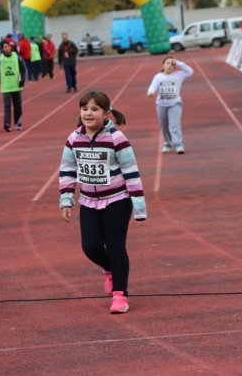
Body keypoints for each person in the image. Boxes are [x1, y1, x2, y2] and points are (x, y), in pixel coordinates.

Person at [58, 90, 146, 314]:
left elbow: (131, 171)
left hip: (117, 200)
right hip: (88, 202)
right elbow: (67, 170)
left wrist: (138, 205)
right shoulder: (73, 139)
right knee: (90, 246)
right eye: (85, 108)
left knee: (116, 246)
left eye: (94, 109)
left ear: (106, 114)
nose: (89, 113)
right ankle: (109, 268)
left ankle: (120, 296)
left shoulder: (117, 139)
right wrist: (66, 199)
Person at [147, 56, 193, 154]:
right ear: (163, 66)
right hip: (161, 104)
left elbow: (190, 71)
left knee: (174, 125)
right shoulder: (158, 76)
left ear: (175, 67)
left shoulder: (179, 75)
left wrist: (178, 62)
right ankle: (167, 143)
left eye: (172, 64)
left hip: (175, 103)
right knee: (164, 125)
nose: (169, 66)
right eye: (167, 63)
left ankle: (178, 145)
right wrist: (151, 92)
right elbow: (153, 86)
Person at [0, 41, 25, 132]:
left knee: (17, 105)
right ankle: (7, 124)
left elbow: (23, 69)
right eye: (5, 47)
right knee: (7, 106)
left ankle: (18, 123)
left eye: (8, 46)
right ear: (2, 49)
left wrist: (22, 80)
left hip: (16, 85)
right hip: (6, 86)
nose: (7, 48)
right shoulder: (0, 59)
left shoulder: (16, 56)